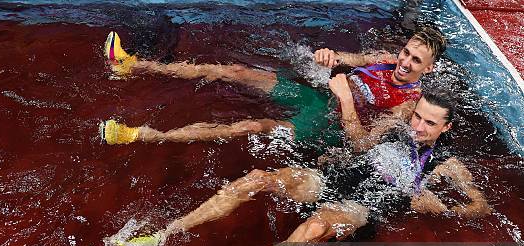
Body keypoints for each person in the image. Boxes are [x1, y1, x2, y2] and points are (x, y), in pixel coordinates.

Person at [105, 89, 491, 246]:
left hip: (360, 207)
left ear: (447, 127)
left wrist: (440, 206)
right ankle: (165, 233)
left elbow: (480, 207)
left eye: (428, 122)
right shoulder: (396, 129)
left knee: (313, 228)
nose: (418, 125)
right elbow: (360, 143)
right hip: (336, 178)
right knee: (258, 178)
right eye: (417, 116)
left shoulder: (447, 165)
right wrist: (344, 135)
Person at [99, 27, 446, 150]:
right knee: (235, 71)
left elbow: (359, 143)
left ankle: (141, 135)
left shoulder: (409, 105)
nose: (404, 62)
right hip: (319, 95)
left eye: (416, 61)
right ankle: (132, 64)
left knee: (249, 127)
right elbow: (344, 58)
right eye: (406, 53)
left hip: (325, 127)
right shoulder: (384, 58)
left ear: (428, 68)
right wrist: (328, 56)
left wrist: (346, 99)